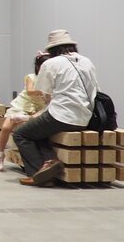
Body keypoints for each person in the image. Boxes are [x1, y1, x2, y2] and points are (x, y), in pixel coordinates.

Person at [13, 30, 98, 186]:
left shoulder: (51, 64)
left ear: (51, 49)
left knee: (21, 134)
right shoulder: (87, 62)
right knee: (38, 132)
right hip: (85, 117)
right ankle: (49, 161)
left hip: (60, 115)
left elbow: (45, 95)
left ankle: (37, 174)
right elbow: (95, 89)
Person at [0, 51, 50, 171]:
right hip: (22, 106)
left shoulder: (50, 81)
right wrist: (43, 91)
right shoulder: (31, 77)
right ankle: (0, 154)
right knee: (6, 127)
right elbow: (30, 91)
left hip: (37, 109)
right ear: (38, 66)